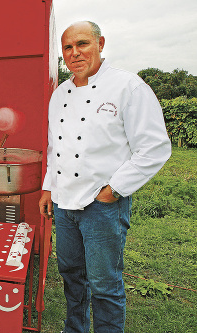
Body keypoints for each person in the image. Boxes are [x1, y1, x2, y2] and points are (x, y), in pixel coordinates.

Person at [39, 21, 171, 332]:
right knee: (71, 275)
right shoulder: (59, 94)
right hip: (64, 203)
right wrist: (48, 187)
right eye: (68, 48)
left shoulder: (128, 87)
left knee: (104, 284)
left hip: (101, 205)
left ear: (100, 43)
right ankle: (75, 329)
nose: (75, 53)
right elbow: (53, 146)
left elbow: (154, 148)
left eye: (82, 44)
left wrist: (114, 189)